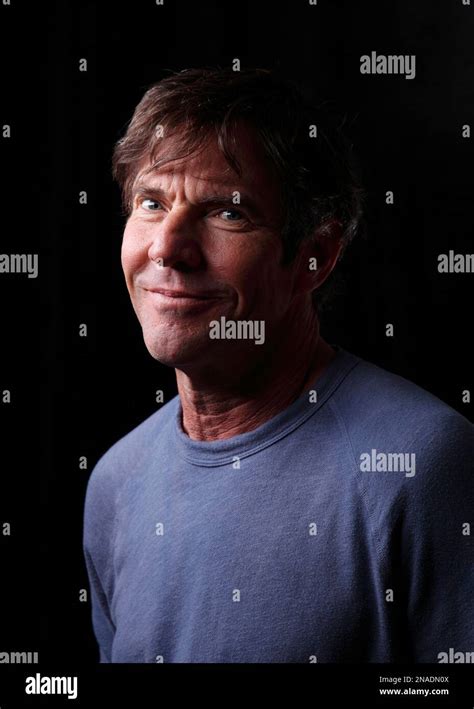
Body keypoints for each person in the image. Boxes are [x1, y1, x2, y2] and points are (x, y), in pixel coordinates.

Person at [83, 67, 473, 663]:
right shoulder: (114, 482)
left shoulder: (426, 464)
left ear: (315, 256)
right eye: (151, 202)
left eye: (228, 214)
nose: (167, 247)